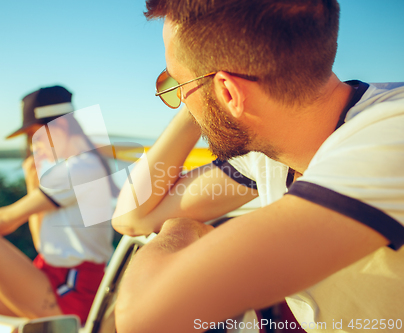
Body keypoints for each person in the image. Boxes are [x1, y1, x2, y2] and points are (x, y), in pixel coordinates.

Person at [112, 1, 404, 332]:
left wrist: (182, 228)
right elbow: (132, 217)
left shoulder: (390, 137)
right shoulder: (273, 154)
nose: (180, 101)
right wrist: (203, 90)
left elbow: (145, 317)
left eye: (176, 84)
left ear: (228, 91)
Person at [0, 85, 116, 333]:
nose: (32, 145)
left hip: (72, 292)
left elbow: (7, 219)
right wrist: (31, 181)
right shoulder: (70, 169)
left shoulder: (82, 168)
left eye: (33, 135)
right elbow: (41, 245)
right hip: (50, 279)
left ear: (60, 127)